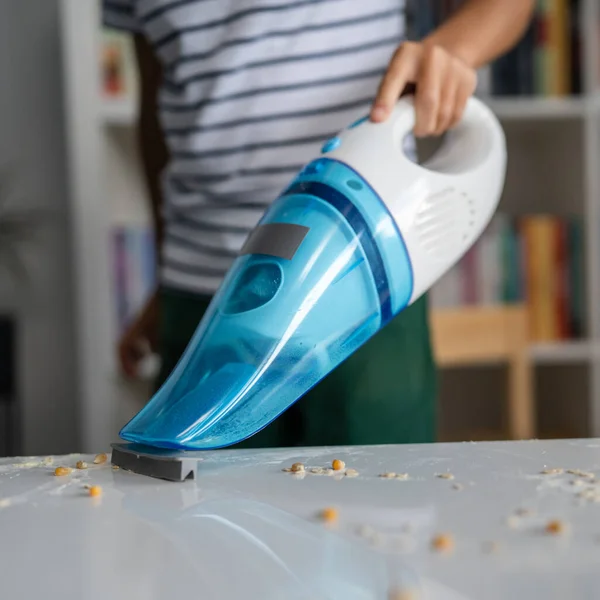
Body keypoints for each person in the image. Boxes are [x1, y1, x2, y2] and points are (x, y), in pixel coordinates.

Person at [104, 0, 534, 448]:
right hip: (201, 287)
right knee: (190, 501)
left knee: (379, 502)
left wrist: (450, 50)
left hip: (366, 283)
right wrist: (164, 263)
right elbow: (156, 97)